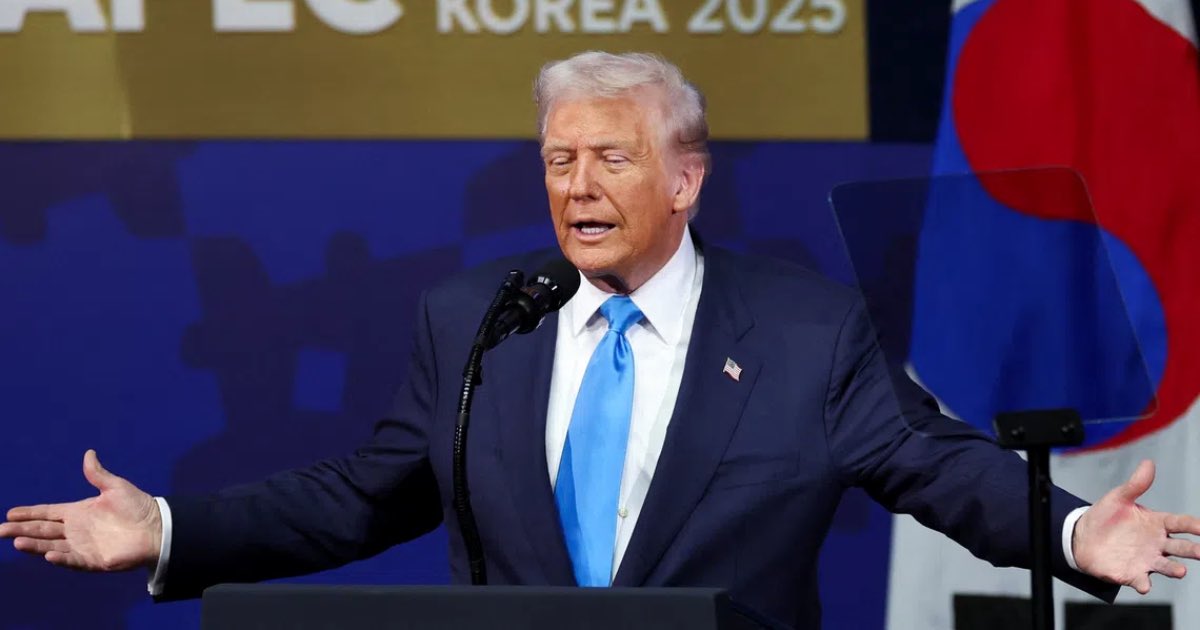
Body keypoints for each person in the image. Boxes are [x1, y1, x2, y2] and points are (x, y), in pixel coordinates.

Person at [2, 51, 1198, 628]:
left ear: (685, 180)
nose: (577, 184)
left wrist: (1079, 529)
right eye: (558, 159)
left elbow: (936, 466)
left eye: (610, 158)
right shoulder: (478, 320)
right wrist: (168, 528)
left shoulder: (800, 328)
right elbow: (363, 496)